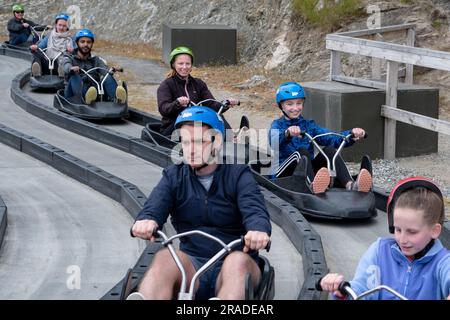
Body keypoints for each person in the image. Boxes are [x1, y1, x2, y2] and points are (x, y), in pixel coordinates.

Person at [130, 106, 272, 300]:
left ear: (217, 141)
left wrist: (258, 229)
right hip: (192, 263)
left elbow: (254, 208)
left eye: (199, 142)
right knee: (164, 258)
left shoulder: (238, 174)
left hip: (233, 259)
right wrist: (147, 219)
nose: (191, 149)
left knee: (237, 263)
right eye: (186, 142)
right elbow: (155, 204)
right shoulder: (174, 176)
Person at [320, 177, 450, 300]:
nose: (402, 239)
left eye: (412, 232)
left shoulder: (442, 262)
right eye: (398, 229)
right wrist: (343, 292)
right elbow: (361, 289)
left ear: (434, 231)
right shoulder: (380, 251)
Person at [268, 81, 372, 194]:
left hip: (307, 172)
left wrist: (351, 134)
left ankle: (350, 185)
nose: (295, 108)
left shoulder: (309, 125)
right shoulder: (277, 125)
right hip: (282, 174)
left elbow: (330, 137)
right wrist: (287, 134)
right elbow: (273, 141)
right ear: (281, 106)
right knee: (301, 153)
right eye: (290, 104)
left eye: (299, 103)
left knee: (329, 150)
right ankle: (313, 186)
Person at [157, 46, 239, 137]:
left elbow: (211, 105)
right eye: (180, 63)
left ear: (191, 65)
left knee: (215, 115)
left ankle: (231, 137)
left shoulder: (198, 84)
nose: (184, 67)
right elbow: (163, 109)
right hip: (173, 129)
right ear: (173, 65)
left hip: (195, 125)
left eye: (187, 64)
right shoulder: (166, 85)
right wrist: (177, 103)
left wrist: (226, 104)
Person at [62, 28, 126, 105]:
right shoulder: (69, 56)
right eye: (82, 42)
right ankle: (85, 99)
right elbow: (65, 65)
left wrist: (111, 71)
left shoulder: (96, 59)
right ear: (77, 43)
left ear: (92, 44)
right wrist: (71, 68)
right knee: (75, 77)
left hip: (93, 92)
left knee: (108, 77)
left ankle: (117, 101)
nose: (86, 44)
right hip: (73, 93)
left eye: (88, 42)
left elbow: (104, 69)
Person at [30, 13, 75, 78]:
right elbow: (40, 47)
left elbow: (76, 53)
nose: (61, 28)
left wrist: (71, 51)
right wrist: (35, 47)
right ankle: (37, 71)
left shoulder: (70, 39)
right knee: (36, 53)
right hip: (47, 63)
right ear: (56, 25)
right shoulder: (49, 36)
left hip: (60, 64)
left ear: (67, 26)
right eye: (60, 25)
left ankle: (62, 72)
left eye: (64, 26)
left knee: (66, 57)